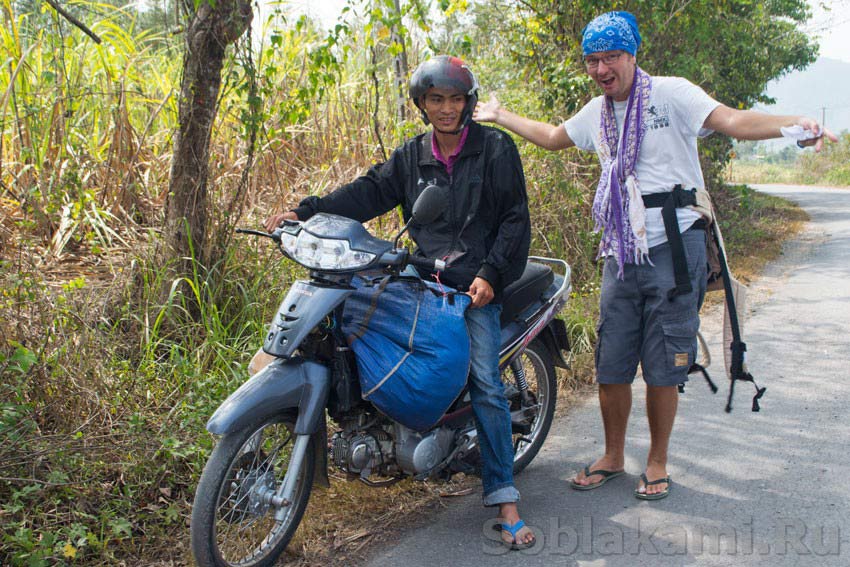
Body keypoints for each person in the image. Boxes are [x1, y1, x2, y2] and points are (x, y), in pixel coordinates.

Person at [473, 11, 837, 500]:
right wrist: (500, 116)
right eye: (593, 60)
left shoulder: (672, 94)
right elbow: (556, 136)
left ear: (632, 54)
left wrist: (791, 125)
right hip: (620, 251)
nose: (602, 69)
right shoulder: (597, 113)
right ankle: (612, 454)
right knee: (612, 360)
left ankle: (658, 461)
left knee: (665, 361)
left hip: (675, 244)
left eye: (612, 58)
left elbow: (731, 120)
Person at [265, 56, 535, 548]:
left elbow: (516, 218)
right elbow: (368, 193)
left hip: (473, 285)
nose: (447, 108)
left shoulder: (496, 148)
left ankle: (504, 497)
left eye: (456, 99)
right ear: (422, 104)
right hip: (420, 274)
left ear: (469, 103)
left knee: (487, 385)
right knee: (348, 323)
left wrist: (490, 273)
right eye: (437, 99)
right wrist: (307, 211)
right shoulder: (412, 155)